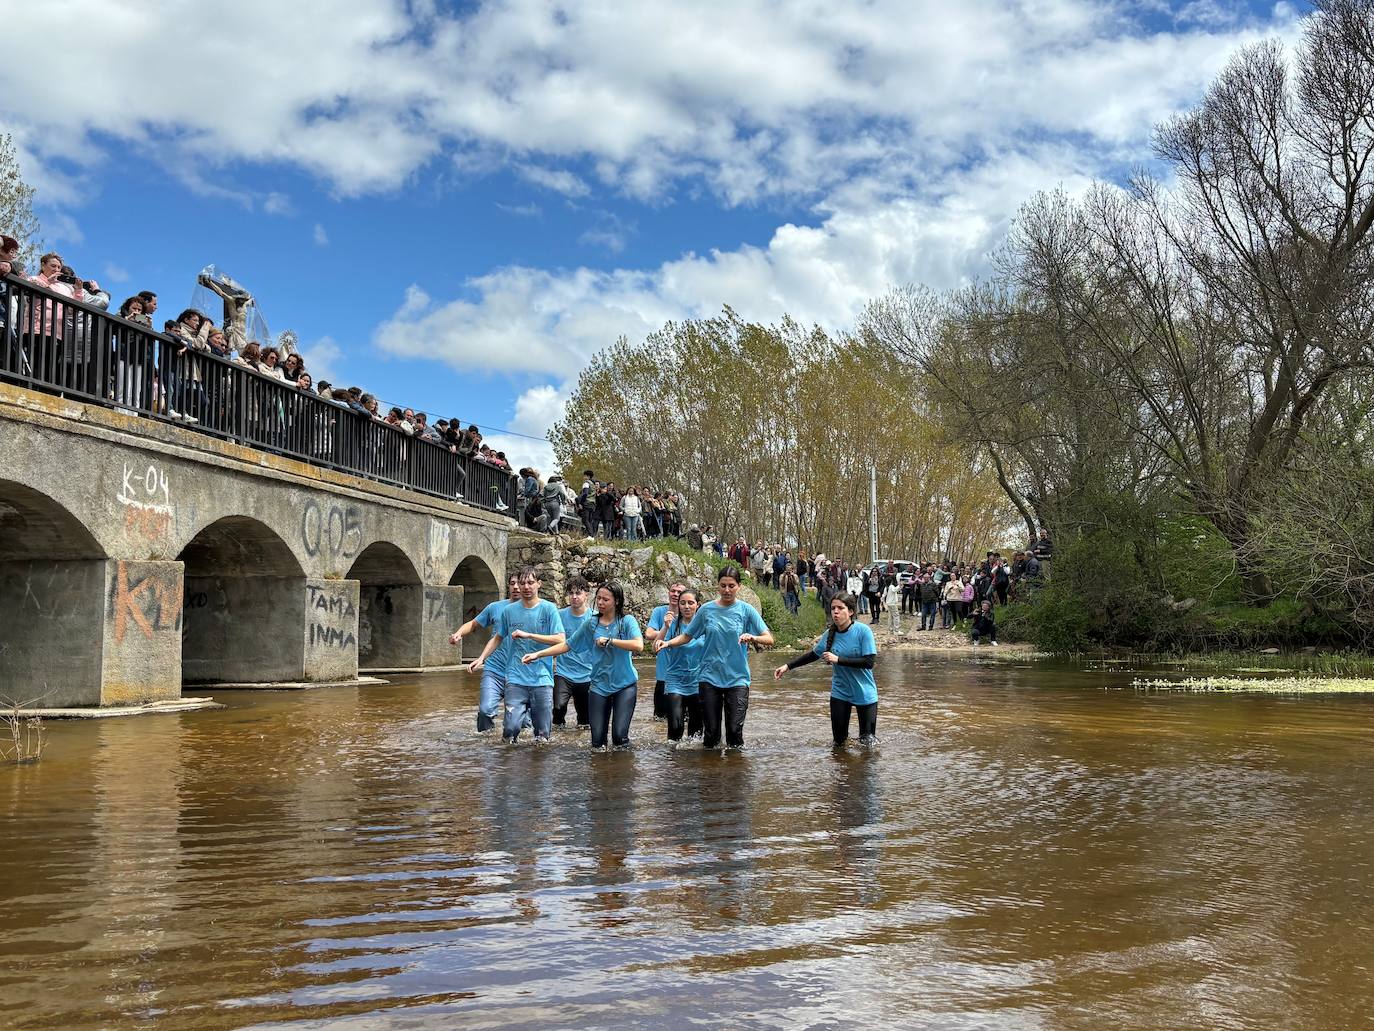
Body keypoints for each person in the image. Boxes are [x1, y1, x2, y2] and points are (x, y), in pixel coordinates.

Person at [657, 566, 773, 750]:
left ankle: (735, 774)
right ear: (717, 586)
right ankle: (711, 776)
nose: (727, 590)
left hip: (738, 678)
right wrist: (668, 643)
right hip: (709, 678)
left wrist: (753, 637)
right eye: (723, 585)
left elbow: (769, 638)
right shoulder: (706, 610)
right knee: (710, 735)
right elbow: (687, 635)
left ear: (739, 587)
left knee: (734, 733)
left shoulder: (746, 610)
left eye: (731, 586)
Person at [526, 582, 643, 749]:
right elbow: (568, 645)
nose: (600, 603)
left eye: (605, 599)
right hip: (598, 686)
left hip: (624, 685)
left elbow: (638, 645)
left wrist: (611, 641)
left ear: (616, 601)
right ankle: (600, 773)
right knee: (597, 743)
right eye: (599, 598)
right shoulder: (591, 624)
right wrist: (538, 654)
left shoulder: (626, 621)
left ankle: (621, 773)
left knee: (619, 737)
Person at [470, 566, 565, 743]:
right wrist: (481, 658)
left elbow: (560, 639)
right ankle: (508, 768)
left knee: (542, 735)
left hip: (541, 678)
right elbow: (498, 637)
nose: (526, 587)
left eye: (530, 582)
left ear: (539, 584)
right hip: (515, 678)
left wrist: (529, 636)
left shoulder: (549, 609)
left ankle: (538, 769)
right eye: (522, 583)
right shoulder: (508, 611)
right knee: (510, 730)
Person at [774, 594, 878, 747]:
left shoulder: (863, 631)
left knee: (867, 742)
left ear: (850, 611)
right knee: (839, 743)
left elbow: (869, 662)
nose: (835, 612)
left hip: (865, 692)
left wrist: (838, 659)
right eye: (833, 608)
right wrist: (787, 666)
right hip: (840, 692)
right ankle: (841, 769)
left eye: (840, 608)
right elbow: (812, 655)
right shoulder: (829, 634)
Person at [449, 574, 520, 733]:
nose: (515, 587)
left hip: (520, 673)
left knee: (522, 722)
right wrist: (458, 633)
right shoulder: (495, 607)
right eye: (512, 583)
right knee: (485, 711)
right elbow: (473, 624)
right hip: (494, 670)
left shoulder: (534, 609)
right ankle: (485, 742)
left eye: (519, 583)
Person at [660, 588, 705, 745]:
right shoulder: (673, 625)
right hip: (675, 681)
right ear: (678, 605)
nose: (686, 606)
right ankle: (673, 766)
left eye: (690, 603)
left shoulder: (705, 626)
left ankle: (692, 767)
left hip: (698, 682)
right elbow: (655, 647)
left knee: (696, 734)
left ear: (698, 605)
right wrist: (665, 627)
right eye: (683, 603)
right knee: (675, 728)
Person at [552, 576, 594, 728]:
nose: (574, 597)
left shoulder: (595, 618)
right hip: (563, 673)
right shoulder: (559, 615)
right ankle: (554, 747)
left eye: (578, 593)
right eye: (571, 593)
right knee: (558, 708)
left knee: (585, 721)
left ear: (586, 594)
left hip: (587, 674)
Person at [643, 582, 685, 720]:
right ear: (668, 593)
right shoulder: (659, 611)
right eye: (673, 591)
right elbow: (648, 634)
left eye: (679, 592)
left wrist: (675, 639)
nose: (675, 594)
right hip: (663, 676)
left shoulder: (689, 615)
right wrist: (665, 629)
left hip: (684, 677)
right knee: (659, 721)